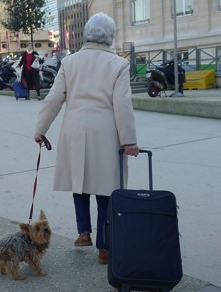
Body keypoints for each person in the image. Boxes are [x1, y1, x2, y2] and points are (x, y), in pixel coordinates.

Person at [33, 12, 140, 265]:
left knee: (79, 182)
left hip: (75, 128)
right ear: (110, 36)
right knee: (106, 188)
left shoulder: (70, 62)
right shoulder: (118, 64)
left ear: (87, 33)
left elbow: (54, 98)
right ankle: (104, 247)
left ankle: (84, 232)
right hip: (105, 130)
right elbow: (122, 105)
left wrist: (41, 128)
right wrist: (129, 141)